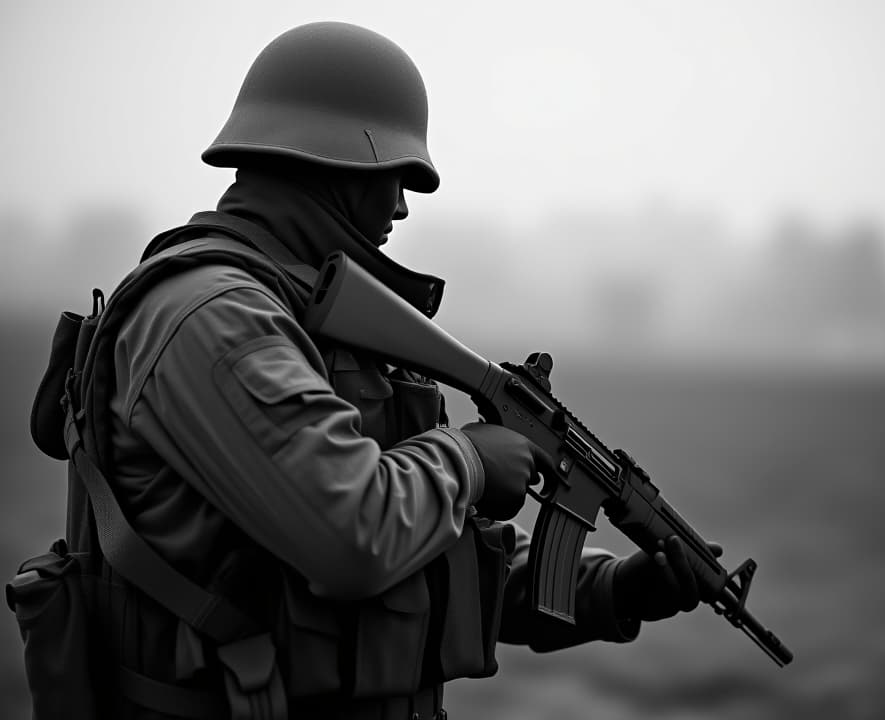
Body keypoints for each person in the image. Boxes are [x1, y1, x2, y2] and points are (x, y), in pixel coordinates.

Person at [73, 21, 718, 720]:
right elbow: (352, 535)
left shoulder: (317, 318)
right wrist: (468, 460)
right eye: (397, 176)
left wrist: (618, 590)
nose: (403, 207)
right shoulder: (211, 319)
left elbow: (436, 562)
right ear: (333, 162)